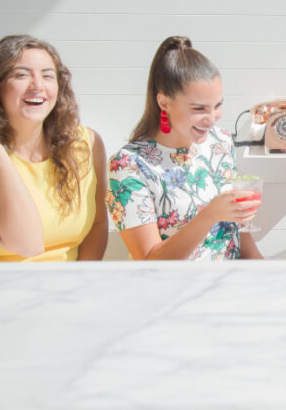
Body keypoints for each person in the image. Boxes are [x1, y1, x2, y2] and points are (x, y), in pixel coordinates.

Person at [0, 35, 107, 261]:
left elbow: (97, 224)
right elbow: (27, 244)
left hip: (68, 290)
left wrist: (81, 282)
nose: (38, 86)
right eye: (21, 75)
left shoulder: (86, 143)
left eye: (48, 76)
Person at [107, 36, 262, 260]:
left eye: (217, 105)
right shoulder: (129, 164)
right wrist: (209, 215)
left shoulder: (221, 142)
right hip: (172, 290)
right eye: (199, 109)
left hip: (230, 285)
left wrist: (266, 271)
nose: (211, 119)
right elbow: (149, 260)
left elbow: (239, 232)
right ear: (163, 103)